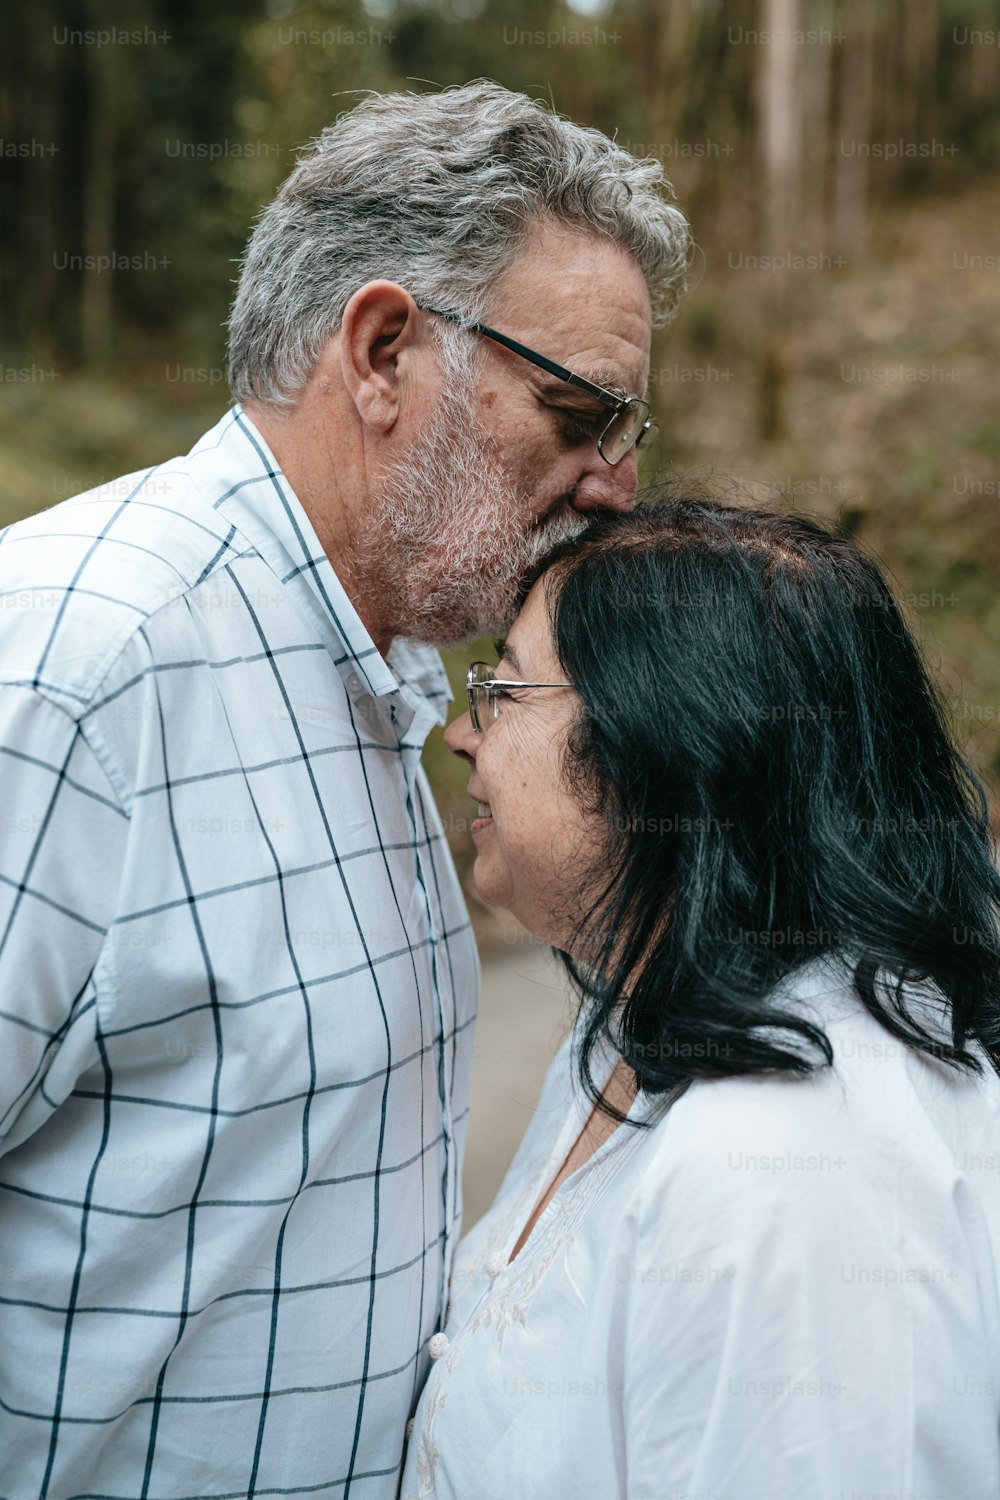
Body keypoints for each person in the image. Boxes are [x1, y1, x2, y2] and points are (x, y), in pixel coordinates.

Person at [0, 83, 690, 1498]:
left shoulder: (367, 658)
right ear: (383, 352)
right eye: (576, 413)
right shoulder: (83, 666)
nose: (612, 484)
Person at [403, 499, 1000, 1499]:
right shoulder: (649, 1027)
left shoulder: (782, 1165)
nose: (462, 734)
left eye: (502, 690)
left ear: (657, 743)